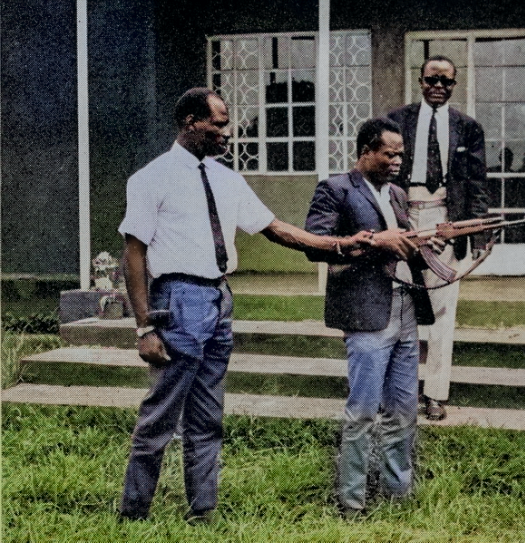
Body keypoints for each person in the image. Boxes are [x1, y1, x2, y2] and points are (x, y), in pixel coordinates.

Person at [118, 87, 371, 522]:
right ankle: (133, 514)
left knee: (207, 415)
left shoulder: (227, 179)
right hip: (178, 300)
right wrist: (144, 327)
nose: (227, 132)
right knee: (161, 414)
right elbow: (134, 253)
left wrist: (339, 245)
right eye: (218, 124)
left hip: (219, 299)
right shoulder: (151, 178)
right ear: (190, 122)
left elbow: (277, 229)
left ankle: (202, 511)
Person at [304, 117, 435, 516]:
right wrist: (377, 240)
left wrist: (422, 241)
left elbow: (403, 245)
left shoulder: (397, 194)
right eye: (388, 154)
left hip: (405, 307)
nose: (397, 162)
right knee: (362, 411)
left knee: (404, 409)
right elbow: (315, 244)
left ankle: (397, 493)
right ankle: (352, 501)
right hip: (365, 313)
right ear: (365, 151)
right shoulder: (335, 189)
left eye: (401, 155)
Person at [387, 55, 488, 420]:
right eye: (432, 80)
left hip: (446, 217)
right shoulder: (396, 121)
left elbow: (477, 183)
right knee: (398, 303)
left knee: (443, 308)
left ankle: (435, 393)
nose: (438, 87)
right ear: (421, 81)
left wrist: (477, 235)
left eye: (446, 82)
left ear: (454, 86)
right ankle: (396, 391)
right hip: (403, 215)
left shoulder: (468, 128)